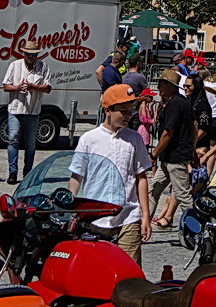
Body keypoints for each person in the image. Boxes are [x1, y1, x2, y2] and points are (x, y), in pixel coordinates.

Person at [76, 84, 153, 264]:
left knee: (129, 276)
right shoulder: (88, 139)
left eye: (130, 111)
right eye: (123, 111)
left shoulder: (135, 139)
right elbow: (77, 177)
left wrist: (146, 216)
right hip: (95, 220)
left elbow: (141, 178)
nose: (128, 116)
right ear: (108, 110)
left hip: (129, 217)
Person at [149, 72, 194, 228]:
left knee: (183, 196)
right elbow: (193, 127)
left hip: (176, 157)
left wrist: (154, 154)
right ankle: (143, 224)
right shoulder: (182, 102)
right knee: (153, 190)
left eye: (161, 83)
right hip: (169, 158)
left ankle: (197, 229)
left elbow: (168, 133)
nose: (159, 87)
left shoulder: (175, 104)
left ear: (170, 86)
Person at [3, 40, 51, 184]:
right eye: (28, 54)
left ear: (37, 55)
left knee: (30, 144)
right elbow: (6, 86)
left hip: (33, 111)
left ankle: (27, 172)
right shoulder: (15, 65)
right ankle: (12, 172)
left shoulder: (44, 67)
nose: (30, 56)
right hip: (15, 109)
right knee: (13, 138)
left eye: (33, 54)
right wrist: (18, 88)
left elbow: (48, 88)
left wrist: (34, 87)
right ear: (23, 53)